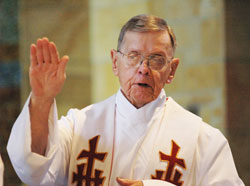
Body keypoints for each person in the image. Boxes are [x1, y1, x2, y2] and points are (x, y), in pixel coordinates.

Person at [7, 14, 244, 186]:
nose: (143, 69)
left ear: (172, 70)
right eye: (133, 56)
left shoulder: (205, 141)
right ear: (114, 62)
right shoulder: (79, 126)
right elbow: (32, 168)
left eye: (157, 59)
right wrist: (41, 99)